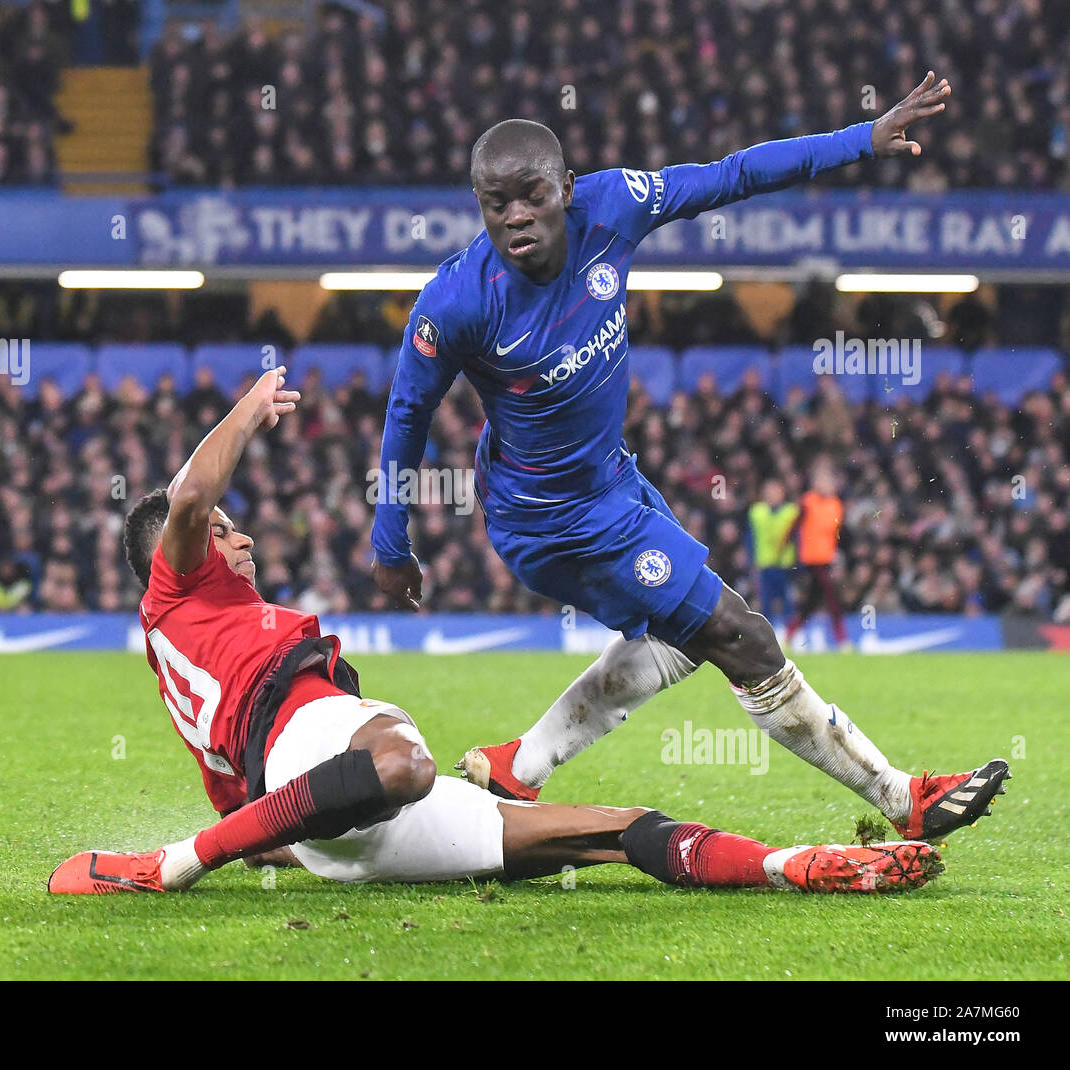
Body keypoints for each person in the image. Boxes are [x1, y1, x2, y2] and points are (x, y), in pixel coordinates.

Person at [369, 74, 1009, 842]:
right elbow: (407, 412)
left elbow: (732, 174)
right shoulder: (457, 302)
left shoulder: (614, 206)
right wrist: (390, 543)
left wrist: (860, 140)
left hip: (613, 481)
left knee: (685, 643)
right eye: (493, 202)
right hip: (550, 521)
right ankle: (903, 798)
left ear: (566, 188)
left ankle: (518, 770)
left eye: (530, 195)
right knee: (742, 636)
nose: (514, 217)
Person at [49, 370, 944, 896]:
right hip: (329, 746)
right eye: (220, 535)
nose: (235, 536)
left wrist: (285, 840)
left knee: (607, 833)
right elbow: (190, 497)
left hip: (344, 829)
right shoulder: (172, 593)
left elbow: (254, 816)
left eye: (232, 531)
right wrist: (246, 409)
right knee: (404, 759)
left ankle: (799, 865)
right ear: (171, 557)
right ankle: (169, 865)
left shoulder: (193, 660)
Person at [785, 466, 850, 649]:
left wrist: (839, 552)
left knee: (810, 603)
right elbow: (794, 526)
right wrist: (786, 546)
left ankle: (789, 635)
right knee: (832, 599)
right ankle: (842, 639)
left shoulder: (836, 505)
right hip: (813, 559)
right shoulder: (808, 502)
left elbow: (839, 533)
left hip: (827, 559)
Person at [748, 479, 798, 627]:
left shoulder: (791, 511)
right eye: (769, 492)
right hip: (765, 564)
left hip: (786, 565)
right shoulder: (756, 512)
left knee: (788, 601)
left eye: (775, 491)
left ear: (782, 493)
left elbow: (797, 538)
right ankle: (768, 633)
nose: (772, 495)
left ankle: (791, 633)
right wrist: (752, 562)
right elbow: (750, 538)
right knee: (765, 603)